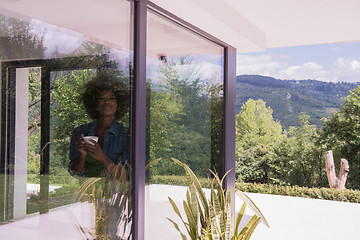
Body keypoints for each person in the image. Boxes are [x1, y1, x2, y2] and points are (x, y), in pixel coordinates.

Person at [68, 71, 130, 178]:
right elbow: (76, 173)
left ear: (118, 104)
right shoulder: (80, 132)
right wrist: (82, 156)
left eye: (112, 98)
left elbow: (125, 176)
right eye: (102, 98)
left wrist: (102, 157)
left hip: (115, 194)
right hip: (86, 192)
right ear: (94, 104)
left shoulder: (126, 136)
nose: (107, 102)